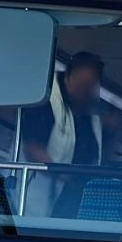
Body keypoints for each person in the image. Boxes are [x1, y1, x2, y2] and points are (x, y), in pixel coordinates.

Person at [22, 51, 107, 217]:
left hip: (76, 198)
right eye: (81, 84)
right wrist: (61, 173)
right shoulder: (45, 99)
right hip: (36, 195)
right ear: (68, 76)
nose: (84, 90)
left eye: (90, 85)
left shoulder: (90, 108)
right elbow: (32, 148)